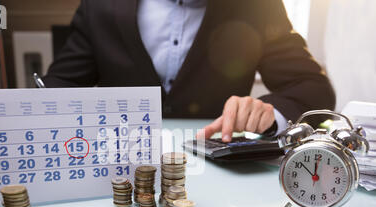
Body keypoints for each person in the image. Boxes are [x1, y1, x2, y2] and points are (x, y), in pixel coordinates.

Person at [44, 0, 336, 142]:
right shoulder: (100, 5)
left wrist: (270, 113)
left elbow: (313, 87)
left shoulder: (257, 7)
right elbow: (59, 84)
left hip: (220, 175)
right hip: (118, 170)